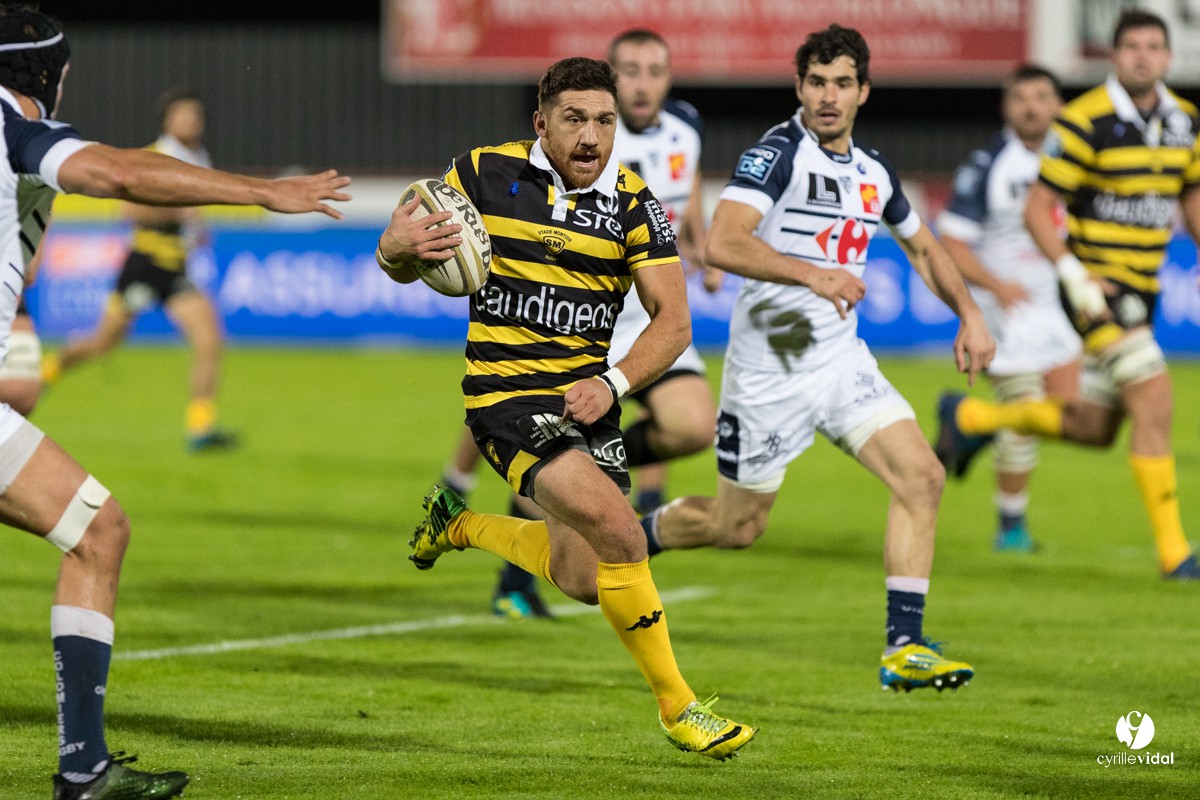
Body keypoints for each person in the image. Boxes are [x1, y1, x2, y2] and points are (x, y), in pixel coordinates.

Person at [0, 6, 351, 798]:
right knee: (98, 532)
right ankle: (83, 772)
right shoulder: (19, 130)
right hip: (145, 269)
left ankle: (85, 770)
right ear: (48, 76)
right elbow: (119, 176)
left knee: (98, 525)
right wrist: (265, 192)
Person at [378, 56, 756, 760]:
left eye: (604, 122)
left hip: (588, 401)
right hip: (503, 396)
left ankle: (457, 525)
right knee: (622, 532)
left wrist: (614, 384)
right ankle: (680, 708)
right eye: (575, 119)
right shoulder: (480, 174)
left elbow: (674, 322)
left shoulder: (636, 204)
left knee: (584, 579)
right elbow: (409, 259)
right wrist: (391, 248)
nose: (591, 137)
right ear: (541, 122)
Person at [638, 24, 995, 692]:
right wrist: (813, 273)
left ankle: (904, 648)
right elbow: (723, 242)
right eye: (817, 83)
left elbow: (924, 248)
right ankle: (634, 538)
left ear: (864, 91)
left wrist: (970, 314)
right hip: (769, 374)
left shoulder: (873, 172)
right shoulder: (777, 154)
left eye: (842, 84)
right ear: (799, 87)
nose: (829, 96)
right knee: (736, 527)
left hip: (840, 363)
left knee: (922, 476)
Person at [446, 28, 724, 622]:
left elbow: (688, 190)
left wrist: (699, 242)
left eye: (654, 71)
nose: (642, 83)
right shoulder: (577, 139)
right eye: (631, 71)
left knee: (695, 425)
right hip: (584, 310)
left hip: (645, 310)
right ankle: (517, 559)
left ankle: (585, 491)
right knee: (555, 453)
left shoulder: (685, 130)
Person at [936, 9, 1199, 580]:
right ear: (1114, 55)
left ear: (1168, 55)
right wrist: (1073, 273)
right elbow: (1038, 209)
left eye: (1153, 46)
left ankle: (973, 418)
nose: (1143, 56)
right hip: (1093, 291)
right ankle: (1175, 553)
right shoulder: (1083, 121)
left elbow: (1190, 196)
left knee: (1095, 428)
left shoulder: (1185, 122)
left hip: (1143, 290)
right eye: (1132, 46)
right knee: (1154, 397)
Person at [935, 65, 1082, 552]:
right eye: (1021, 98)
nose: (1032, 107)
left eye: (1041, 96)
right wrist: (995, 285)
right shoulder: (988, 164)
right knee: (1025, 409)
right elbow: (952, 240)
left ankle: (970, 423)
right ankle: (1011, 529)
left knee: (1068, 415)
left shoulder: (1074, 155)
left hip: (1055, 305)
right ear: (1006, 107)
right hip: (1006, 307)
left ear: (1058, 105)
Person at [43, 89, 237, 452]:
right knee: (103, 343)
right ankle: (44, 373)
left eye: (195, 115)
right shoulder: (156, 157)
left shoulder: (197, 157)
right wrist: (180, 209)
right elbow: (130, 211)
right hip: (145, 264)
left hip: (175, 267)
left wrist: (195, 227)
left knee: (209, 341)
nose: (189, 121)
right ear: (168, 121)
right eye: (182, 114)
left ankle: (200, 428)